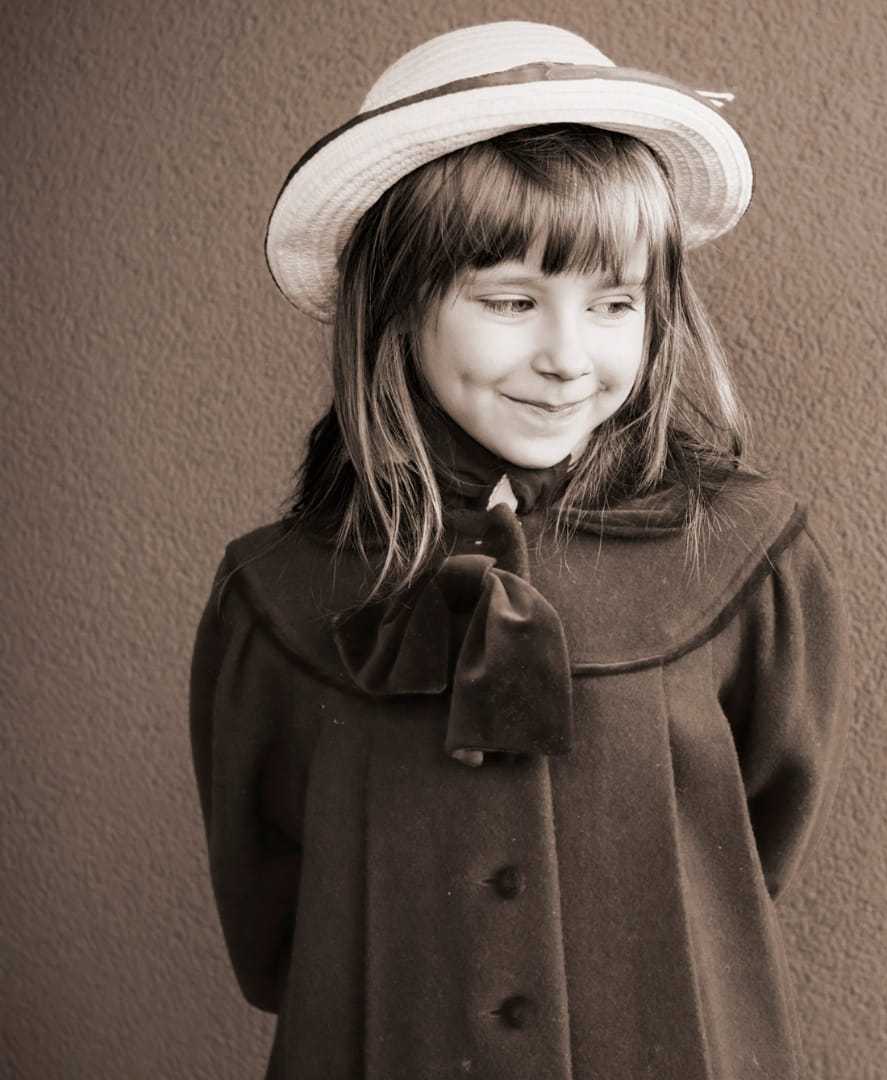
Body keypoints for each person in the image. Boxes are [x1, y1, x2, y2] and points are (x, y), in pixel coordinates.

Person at [188, 19, 851, 1080]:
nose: (567, 357)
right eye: (509, 301)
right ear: (398, 312)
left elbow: (752, 847)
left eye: (615, 303)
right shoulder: (276, 595)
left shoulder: (746, 560)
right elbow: (272, 929)